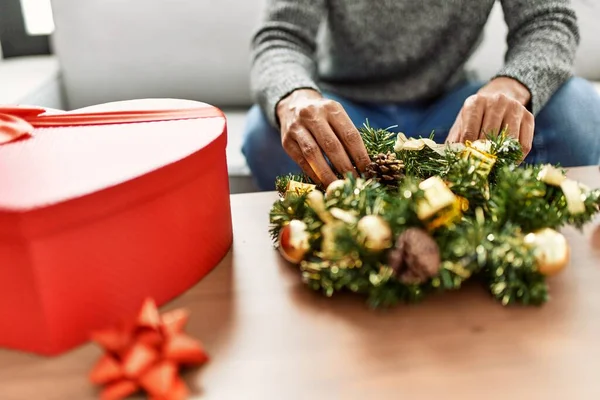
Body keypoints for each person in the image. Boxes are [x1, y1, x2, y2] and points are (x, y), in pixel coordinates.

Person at [242, 0, 600, 191]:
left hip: (453, 111)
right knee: (266, 133)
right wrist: (295, 97)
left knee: (577, 111)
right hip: (349, 116)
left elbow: (548, 20)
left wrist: (511, 84)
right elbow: (280, 36)